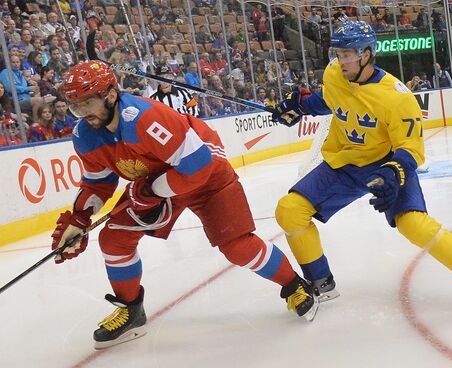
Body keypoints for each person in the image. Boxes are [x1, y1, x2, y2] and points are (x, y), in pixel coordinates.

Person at [51, 60, 318, 349]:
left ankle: (294, 285)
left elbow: (198, 166)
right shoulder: (85, 135)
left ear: (110, 95)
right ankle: (131, 309)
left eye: (87, 103)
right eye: (75, 107)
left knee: (237, 245)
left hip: (205, 171)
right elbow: (97, 182)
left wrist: (152, 190)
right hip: (157, 180)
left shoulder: (144, 118)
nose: (82, 114)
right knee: (114, 239)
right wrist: (79, 219)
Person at [270, 21, 452, 314]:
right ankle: (320, 282)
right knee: (289, 210)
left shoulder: (396, 96)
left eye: (347, 54)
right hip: (345, 163)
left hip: (386, 166)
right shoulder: (335, 74)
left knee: (413, 224)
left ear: (367, 55)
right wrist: (300, 107)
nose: (340, 60)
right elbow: (330, 100)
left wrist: (393, 172)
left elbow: (410, 149)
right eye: (338, 53)